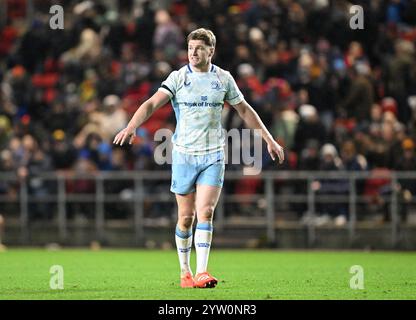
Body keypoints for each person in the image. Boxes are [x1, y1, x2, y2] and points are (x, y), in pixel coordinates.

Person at [113, 28, 284, 288]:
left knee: (205, 212)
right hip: (183, 155)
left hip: (213, 155)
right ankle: (185, 272)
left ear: (211, 51)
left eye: (199, 48)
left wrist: (269, 140)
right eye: (190, 48)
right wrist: (131, 126)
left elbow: (244, 110)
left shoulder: (223, 79)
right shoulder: (179, 77)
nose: (193, 52)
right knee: (186, 218)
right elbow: (150, 104)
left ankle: (202, 272)